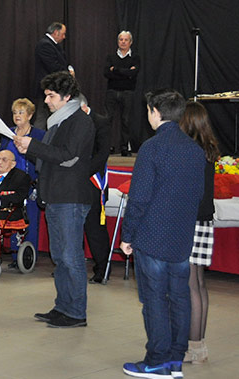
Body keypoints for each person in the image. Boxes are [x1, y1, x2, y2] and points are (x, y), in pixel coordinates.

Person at [119, 89, 205, 379]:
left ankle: (156, 361)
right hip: (181, 237)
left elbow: (139, 197)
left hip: (152, 236)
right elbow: (198, 195)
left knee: (155, 300)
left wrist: (127, 235)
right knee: (180, 297)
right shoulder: (195, 150)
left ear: (155, 112)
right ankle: (174, 361)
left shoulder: (152, 148)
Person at [14, 71, 94, 328]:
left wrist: (33, 146)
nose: (46, 101)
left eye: (51, 96)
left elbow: (69, 156)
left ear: (67, 96)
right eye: (46, 95)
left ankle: (76, 312)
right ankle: (63, 306)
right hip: (57, 196)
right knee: (60, 256)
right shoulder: (59, 121)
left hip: (70, 197)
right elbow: (50, 157)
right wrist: (28, 149)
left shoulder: (79, 121)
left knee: (71, 257)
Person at [179, 101, 219, 365]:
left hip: (191, 220)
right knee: (200, 283)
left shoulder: (189, 151)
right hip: (205, 220)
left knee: (191, 284)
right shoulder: (208, 149)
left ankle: (193, 346)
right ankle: (200, 345)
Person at [0, 98, 45, 262]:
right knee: (12, 218)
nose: (17, 116)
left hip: (30, 183)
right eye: (14, 112)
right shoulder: (7, 133)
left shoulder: (39, 135)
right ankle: (14, 255)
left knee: (30, 221)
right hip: (10, 183)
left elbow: (42, 158)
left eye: (21, 112)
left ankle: (27, 258)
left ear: (30, 115)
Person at [76, 94, 113, 284]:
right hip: (73, 182)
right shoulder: (72, 121)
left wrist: (81, 171)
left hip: (93, 181)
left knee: (94, 228)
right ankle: (73, 267)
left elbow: (102, 153)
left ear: (83, 107)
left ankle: (102, 269)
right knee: (73, 226)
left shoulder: (101, 122)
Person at [104, 31, 140, 156]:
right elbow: (106, 73)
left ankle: (124, 147)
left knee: (126, 120)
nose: (123, 42)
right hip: (112, 92)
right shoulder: (110, 56)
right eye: (121, 39)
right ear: (117, 41)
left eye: (126, 40)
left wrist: (116, 70)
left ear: (130, 42)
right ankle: (106, 146)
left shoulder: (135, 57)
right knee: (107, 120)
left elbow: (133, 74)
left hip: (128, 92)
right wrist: (126, 72)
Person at [33, 22, 74, 129]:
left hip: (55, 87)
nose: (64, 37)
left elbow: (64, 62)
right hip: (48, 87)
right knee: (42, 117)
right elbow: (53, 66)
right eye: (63, 34)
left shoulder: (54, 45)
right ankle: (37, 142)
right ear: (56, 32)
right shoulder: (45, 45)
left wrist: (69, 68)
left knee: (52, 116)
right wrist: (68, 73)